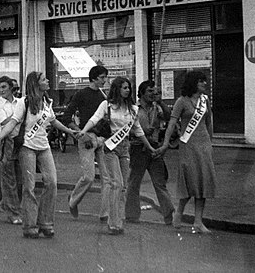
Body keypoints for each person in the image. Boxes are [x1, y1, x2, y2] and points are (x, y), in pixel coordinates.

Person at [0, 71, 77, 239]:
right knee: (29, 186)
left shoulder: (46, 101)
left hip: (44, 146)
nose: (48, 81)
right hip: (27, 147)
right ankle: (30, 225)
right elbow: (12, 123)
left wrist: (70, 131)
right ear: (36, 84)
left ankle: (46, 222)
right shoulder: (24, 103)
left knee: (52, 182)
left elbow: (53, 120)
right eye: (44, 79)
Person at [78, 76, 156, 235]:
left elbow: (138, 130)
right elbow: (94, 119)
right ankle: (113, 223)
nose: (127, 90)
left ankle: (119, 219)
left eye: (129, 88)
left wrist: (149, 147)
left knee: (124, 186)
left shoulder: (133, 109)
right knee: (116, 183)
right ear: (117, 89)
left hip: (125, 147)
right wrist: (83, 131)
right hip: (110, 146)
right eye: (124, 87)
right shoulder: (106, 105)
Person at [165, 71, 217, 234]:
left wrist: (210, 142)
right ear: (193, 83)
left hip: (203, 145)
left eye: (205, 81)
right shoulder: (182, 101)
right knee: (190, 180)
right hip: (188, 145)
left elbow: (209, 123)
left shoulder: (205, 101)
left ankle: (198, 221)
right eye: (201, 81)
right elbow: (172, 123)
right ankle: (179, 212)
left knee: (203, 182)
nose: (205, 84)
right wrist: (166, 142)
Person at [125, 80, 174, 224]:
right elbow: (126, 129)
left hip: (154, 149)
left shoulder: (157, 108)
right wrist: (140, 132)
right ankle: (132, 214)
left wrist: (161, 102)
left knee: (160, 183)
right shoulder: (133, 109)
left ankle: (168, 213)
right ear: (142, 93)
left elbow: (169, 116)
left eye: (155, 91)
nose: (153, 94)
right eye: (150, 91)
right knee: (134, 183)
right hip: (138, 148)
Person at [66, 65, 110, 222]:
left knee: (107, 178)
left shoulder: (104, 96)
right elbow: (66, 117)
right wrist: (80, 134)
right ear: (94, 78)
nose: (105, 80)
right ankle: (73, 200)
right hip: (87, 138)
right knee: (89, 177)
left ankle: (105, 213)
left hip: (101, 139)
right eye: (102, 77)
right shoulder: (81, 94)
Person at [0, 76, 22, 225]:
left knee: (20, 179)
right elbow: (4, 122)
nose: (1, 90)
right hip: (6, 141)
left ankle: (9, 205)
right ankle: (13, 213)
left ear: (11, 87)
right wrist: (19, 116)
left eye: (4, 87)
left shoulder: (19, 102)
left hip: (20, 140)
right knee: (9, 179)